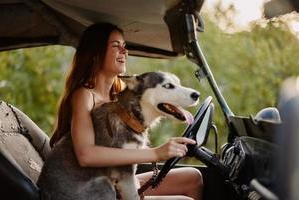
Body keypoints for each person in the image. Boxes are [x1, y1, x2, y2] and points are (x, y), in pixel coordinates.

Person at [49, 22, 203, 200]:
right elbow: (85, 155)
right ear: (95, 54)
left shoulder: (122, 92)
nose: (124, 51)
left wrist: (171, 145)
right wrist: (155, 153)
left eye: (125, 46)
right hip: (91, 189)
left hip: (115, 180)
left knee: (193, 177)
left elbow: (125, 143)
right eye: (116, 46)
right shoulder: (84, 95)